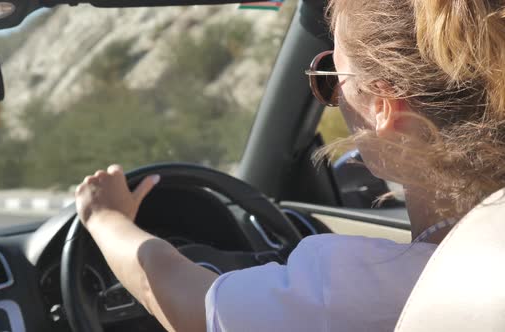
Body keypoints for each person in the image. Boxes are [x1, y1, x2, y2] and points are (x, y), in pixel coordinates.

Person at [74, 0, 505, 331]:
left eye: (334, 77)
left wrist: (104, 217)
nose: (334, 94)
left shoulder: (362, 288)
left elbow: (177, 300)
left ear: (381, 105)